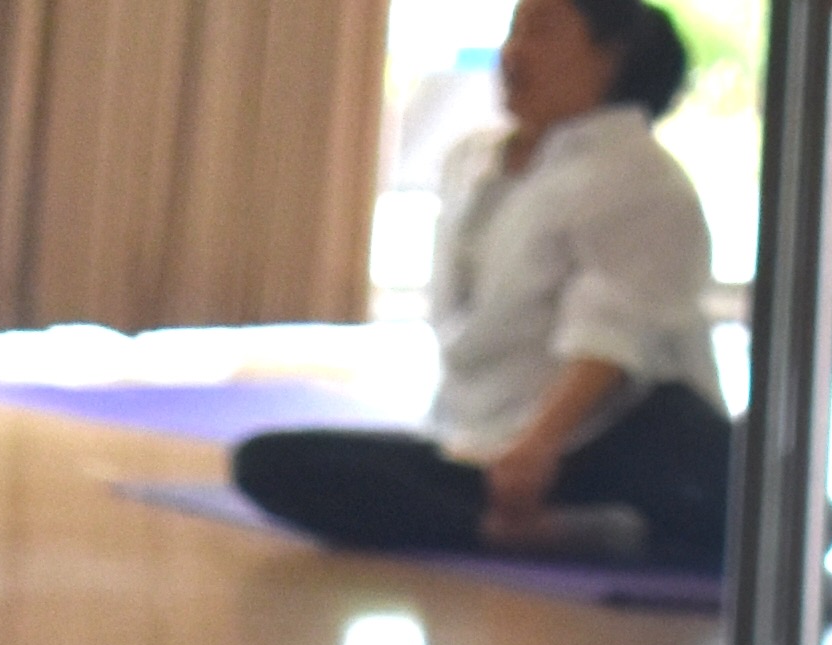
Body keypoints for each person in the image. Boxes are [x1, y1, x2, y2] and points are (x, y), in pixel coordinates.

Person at [232, 0, 730, 569]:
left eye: (540, 32)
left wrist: (539, 444)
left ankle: (597, 522)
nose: (513, 53)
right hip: (488, 443)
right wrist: (496, 449)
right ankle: (526, 532)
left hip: (617, 435)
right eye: (514, 31)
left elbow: (614, 331)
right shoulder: (478, 161)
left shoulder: (640, 175)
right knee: (269, 463)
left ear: (608, 56)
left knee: (786, 515)